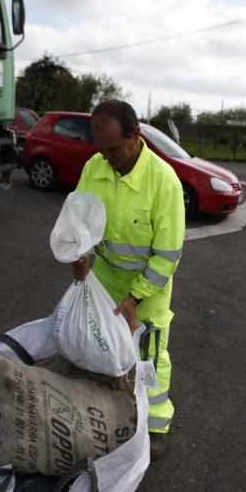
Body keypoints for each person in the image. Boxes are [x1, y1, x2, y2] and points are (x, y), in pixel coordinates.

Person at [72, 100, 185, 460]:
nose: (106, 157)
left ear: (136, 136)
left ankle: (155, 424)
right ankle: (109, 412)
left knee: (148, 354)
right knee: (100, 343)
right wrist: (79, 254)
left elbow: (167, 253)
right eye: (100, 150)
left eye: (114, 149)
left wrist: (136, 298)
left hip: (147, 289)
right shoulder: (95, 166)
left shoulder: (163, 181)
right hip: (104, 278)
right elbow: (80, 217)